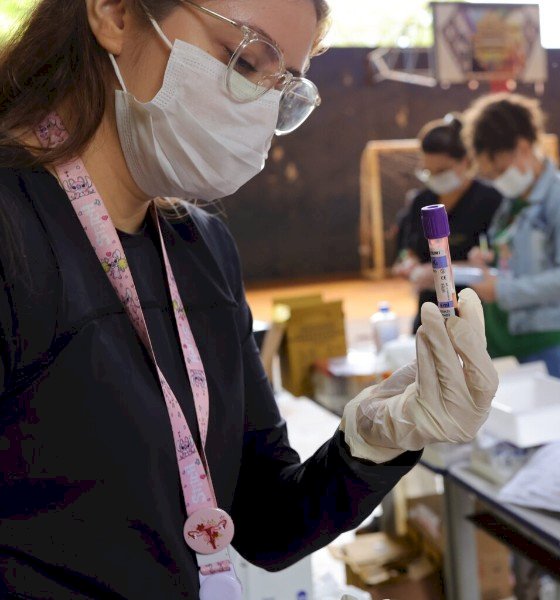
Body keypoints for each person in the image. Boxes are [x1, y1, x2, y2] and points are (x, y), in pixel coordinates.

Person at [0, 2, 498, 598]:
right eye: (243, 60)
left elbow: (265, 522)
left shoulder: (201, 249)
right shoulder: (14, 235)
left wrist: (374, 443)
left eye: (282, 86)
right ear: (115, 13)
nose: (257, 106)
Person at [463, 93, 560, 382]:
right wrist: (487, 258)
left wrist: (502, 291)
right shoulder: (511, 200)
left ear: (523, 148)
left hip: (541, 342)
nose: (498, 179)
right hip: (499, 338)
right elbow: (510, 255)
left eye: (500, 170)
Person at [394, 115, 502, 331]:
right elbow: (407, 249)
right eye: (428, 172)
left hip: (475, 315)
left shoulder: (490, 200)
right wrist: (409, 263)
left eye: (442, 171)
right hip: (431, 313)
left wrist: (442, 272)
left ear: (466, 161)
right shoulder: (421, 201)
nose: (435, 178)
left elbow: (497, 262)